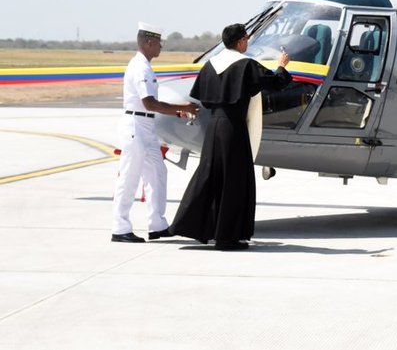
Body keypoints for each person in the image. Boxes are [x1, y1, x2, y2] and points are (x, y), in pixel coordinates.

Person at [170, 23, 292, 251]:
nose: (248, 42)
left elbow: (203, 99)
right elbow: (276, 83)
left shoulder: (210, 65)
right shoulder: (245, 65)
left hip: (214, 128)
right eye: (246, 38)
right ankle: (228, 237)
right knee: (234, 182)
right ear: (239, 42)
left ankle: (193, 227)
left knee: (210, 177)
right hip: (233, 128)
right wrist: (282, 66)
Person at [111, 22, 200, 243]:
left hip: (146, 128)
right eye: (158, 42)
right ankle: (120, 228)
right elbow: (150, 103)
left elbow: (151, 107)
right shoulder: (140, 68)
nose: (161, 46)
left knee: (158, 174)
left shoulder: (145, 66)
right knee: (130, 177)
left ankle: (157, 224)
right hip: (135, 127)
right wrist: (183, 108)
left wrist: (176, 113)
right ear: (149, 43)